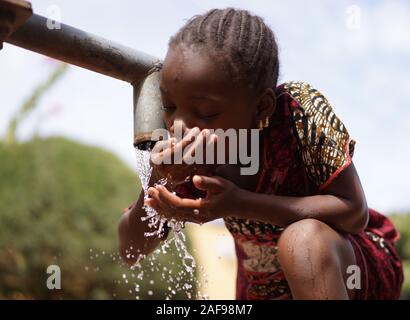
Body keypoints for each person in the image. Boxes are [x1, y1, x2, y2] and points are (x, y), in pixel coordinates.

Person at [118, 8, 403, 300]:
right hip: (264, 286)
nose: (179, 126)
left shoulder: (294, 116)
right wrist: (158, 182)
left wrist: (240, 204)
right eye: (168, 107)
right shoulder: (191, 161)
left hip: (351, 269)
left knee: (302, 242)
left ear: (261, 108)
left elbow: (354, 212)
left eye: (206, 112)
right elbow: (131, 250)